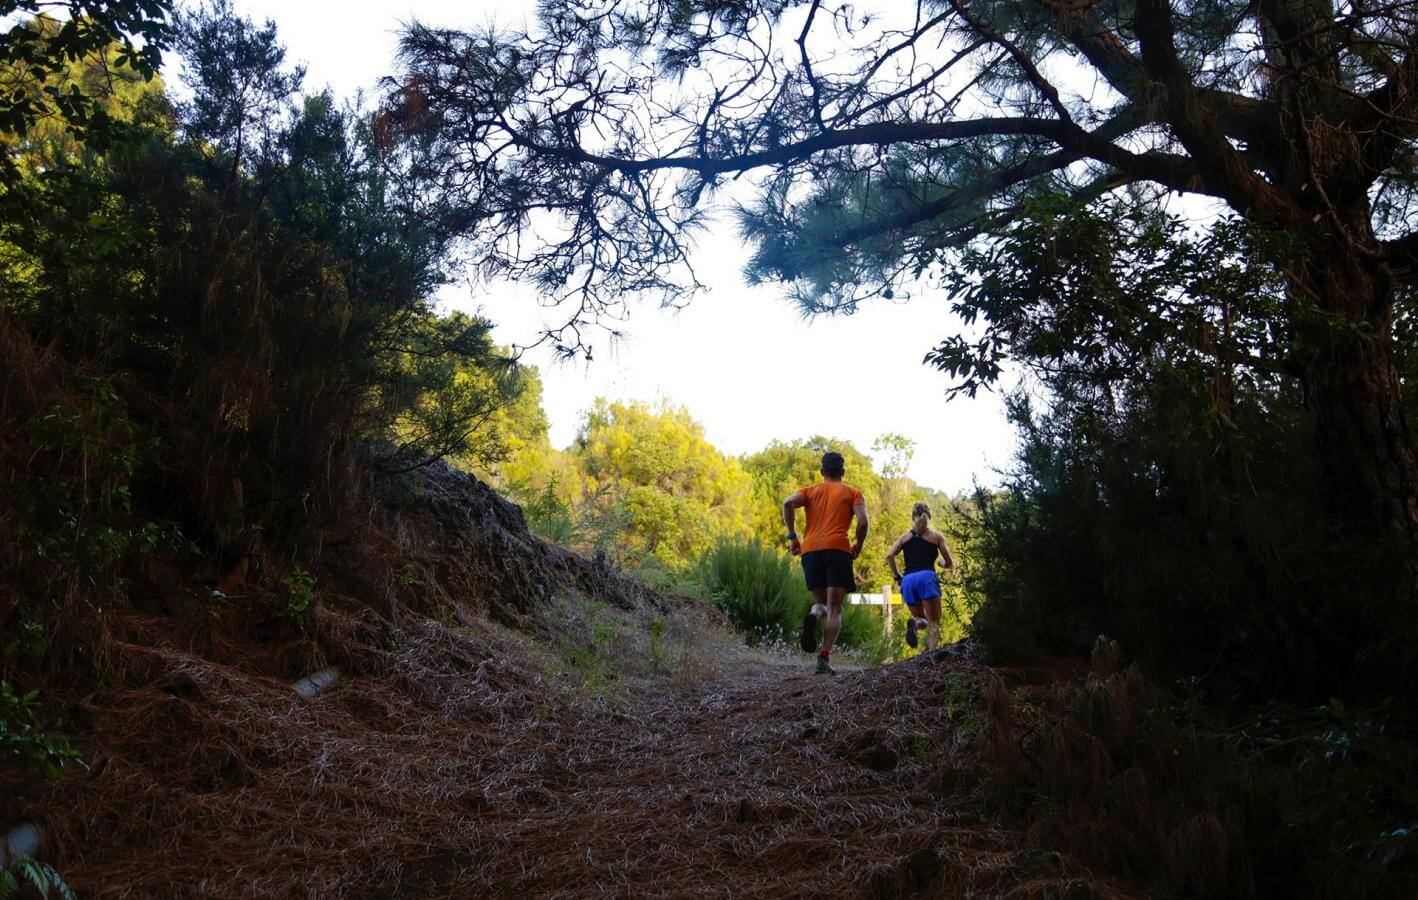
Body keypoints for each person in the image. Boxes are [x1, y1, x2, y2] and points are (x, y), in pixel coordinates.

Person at [782, 451, 869, 675]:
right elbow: (863, 522)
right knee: (835, 608)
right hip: (838, 550)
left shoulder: (809, 491)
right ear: (843, 472)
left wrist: (793, 537)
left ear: (822, 472)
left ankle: (814, 616)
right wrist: (858, 545)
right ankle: (823, 658)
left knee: (821, 604)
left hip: (810, 551)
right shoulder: (853, 493)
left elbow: (787, 503)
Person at [885, 502, 955, 651]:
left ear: (913, 517)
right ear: (929, 517)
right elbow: (950, 562)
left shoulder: (904, 538)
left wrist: (898, 577)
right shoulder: (936, 537)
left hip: (908, 581)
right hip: (926, 578)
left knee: (921, 619)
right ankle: (931, 656)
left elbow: (890, 555)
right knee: (934, 623)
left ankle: (915, 625)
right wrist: (942, 564)